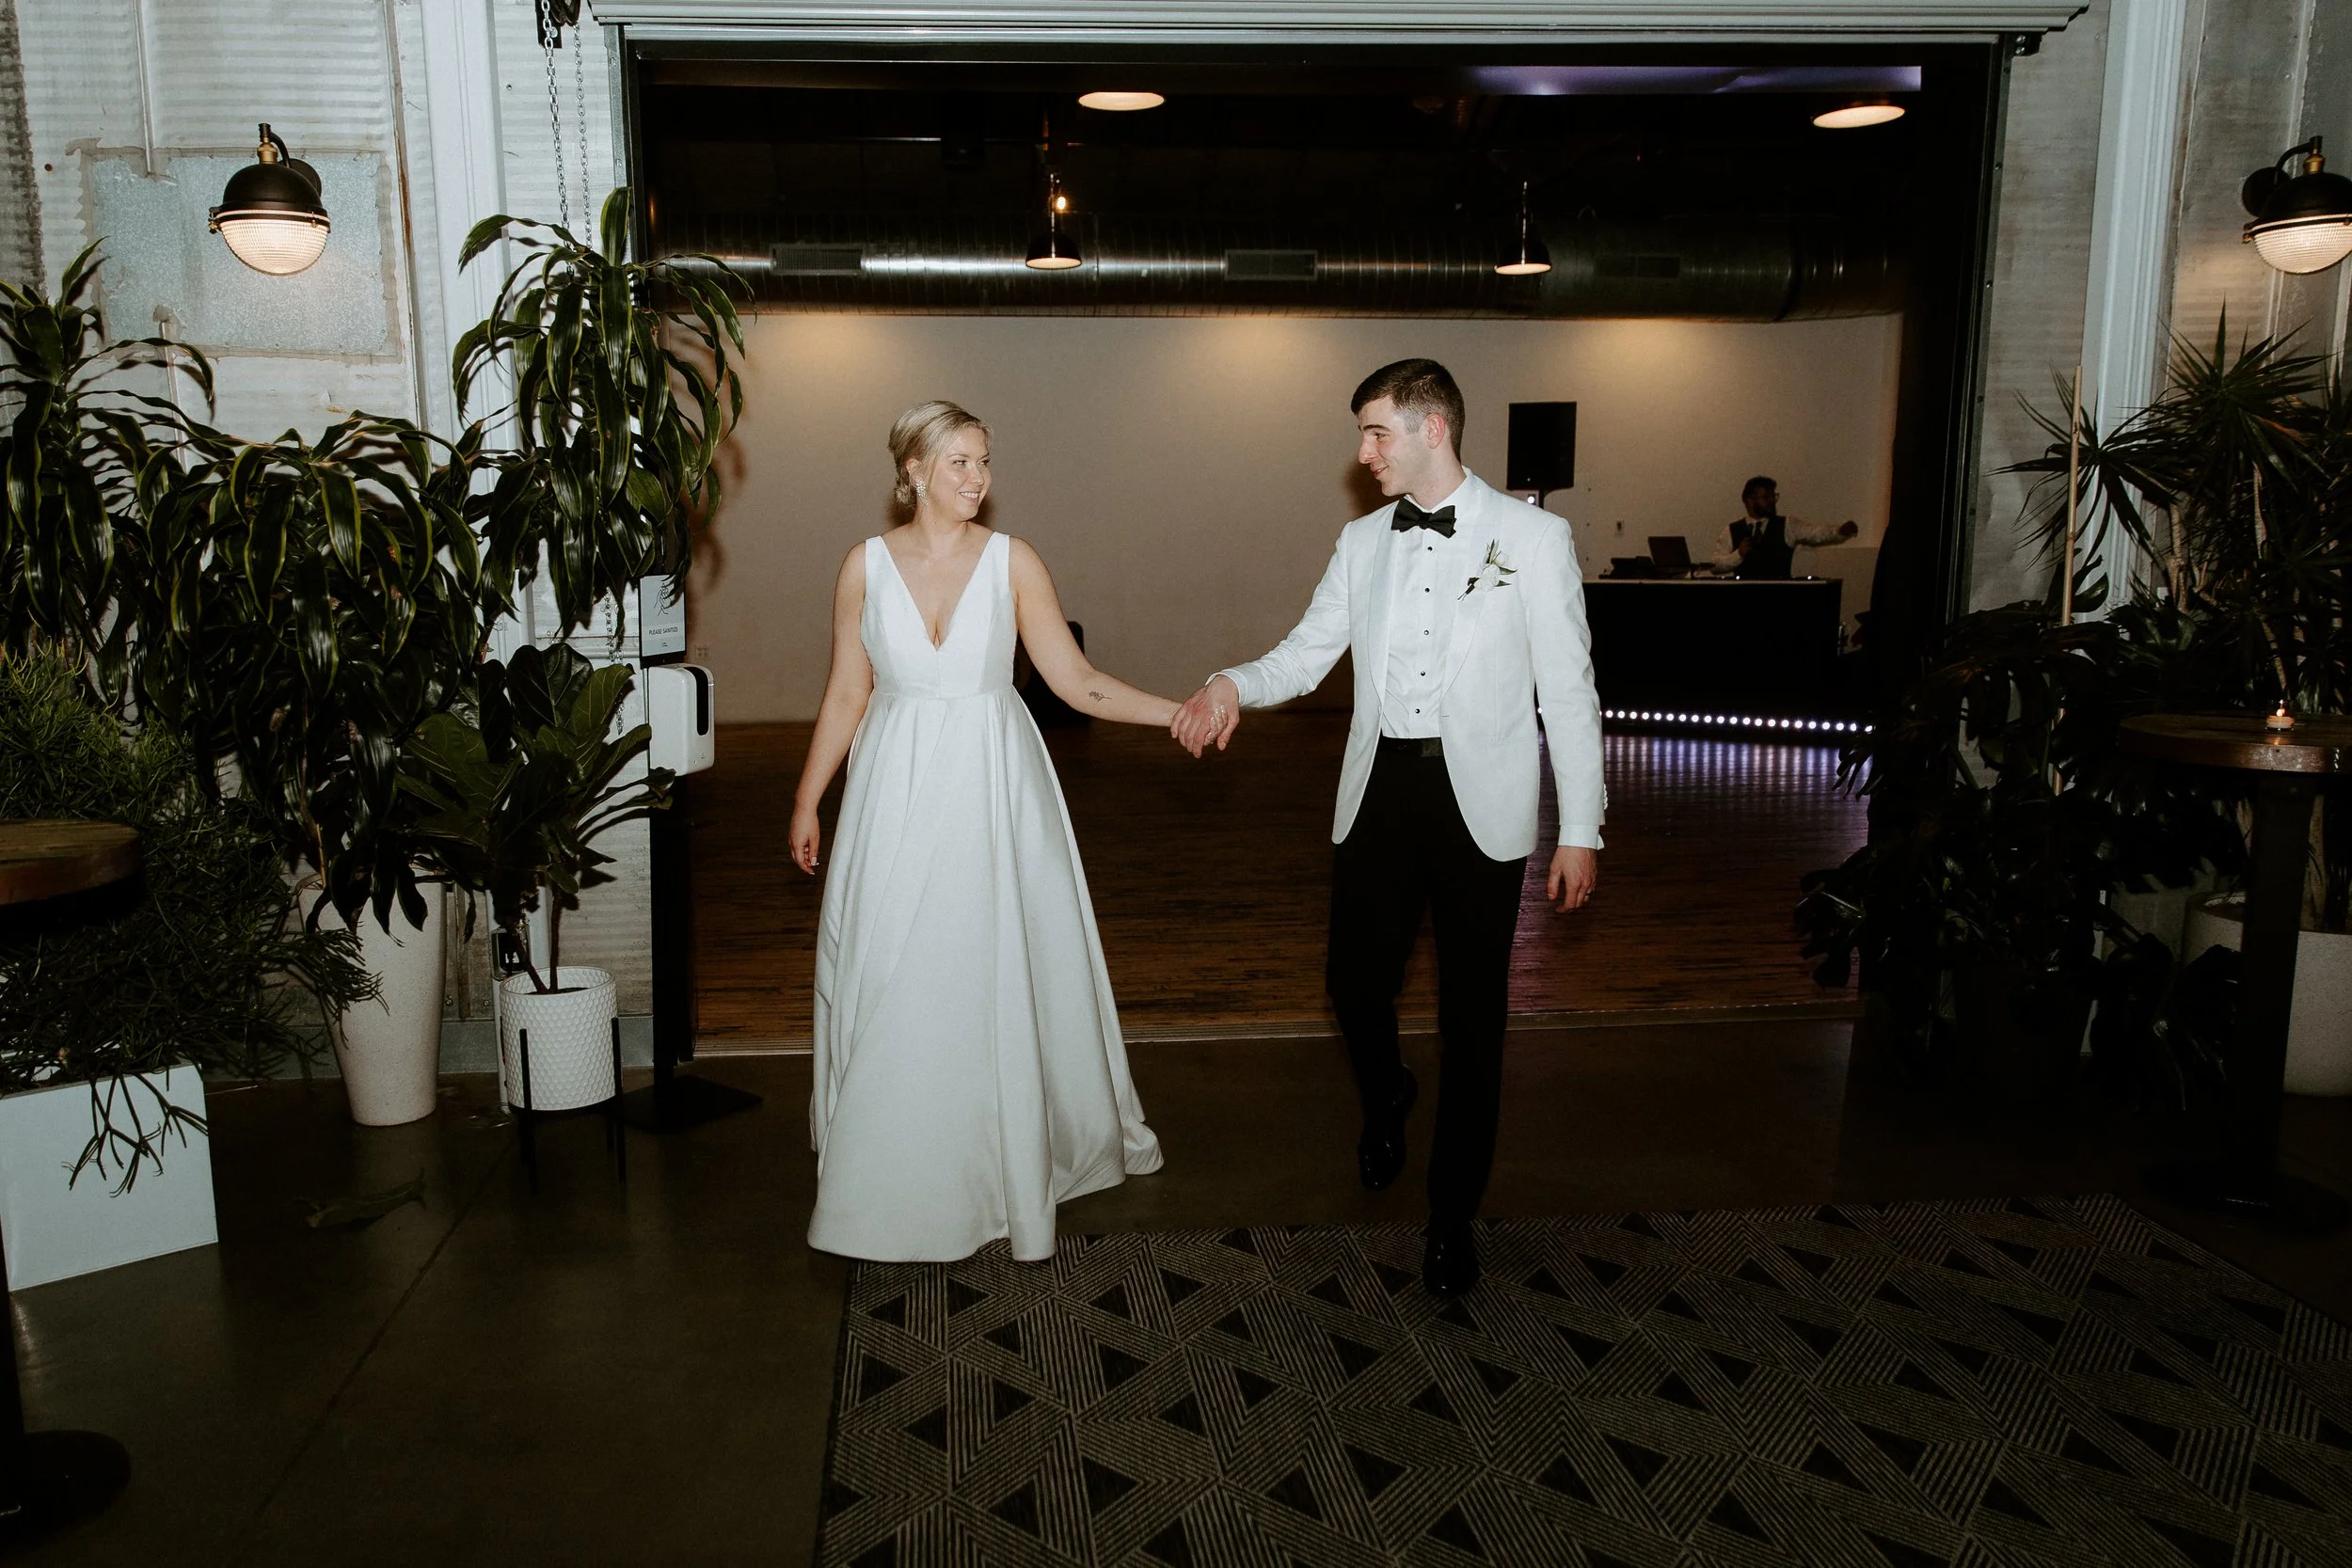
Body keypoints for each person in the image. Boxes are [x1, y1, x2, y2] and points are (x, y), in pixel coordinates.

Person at [1171, 358, 1603, 1295]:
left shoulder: (1533, 537)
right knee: (1351, 984)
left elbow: (1569, 688)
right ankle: (1388, 1090)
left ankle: (1451, 1215)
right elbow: (1308, 650)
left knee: (1472, 1019)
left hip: (1478, 802)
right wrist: (1231, 682)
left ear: (1432, 428)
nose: (1362, 451)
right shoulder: (1361, 540)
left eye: (1375, 432)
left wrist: (1582, 826)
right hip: (1379, 796)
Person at [791, 402, 1168, 1262]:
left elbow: (1076, 682)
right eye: (958, 462)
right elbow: (848, 691)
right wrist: (808, 797)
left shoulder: (1013, 562)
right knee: (893, 966)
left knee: (986, 967)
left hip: (993, 787)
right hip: (891, 788)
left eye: (984, 462)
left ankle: (999, 1159)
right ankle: (888, 1164)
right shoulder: (862, 567)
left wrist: (1176, 713)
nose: (977, 478)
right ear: (914, 469)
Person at [1709, 476, 1857, 578]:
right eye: (1766, 497)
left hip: (1780, 599)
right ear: (1749, 500)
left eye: (1774, 496)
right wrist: (1738, 555)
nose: (1772, 502)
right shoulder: (1731, 530)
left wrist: (1839, 532)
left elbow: (1814, 533)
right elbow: (1715, 566)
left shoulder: (1786, 525)